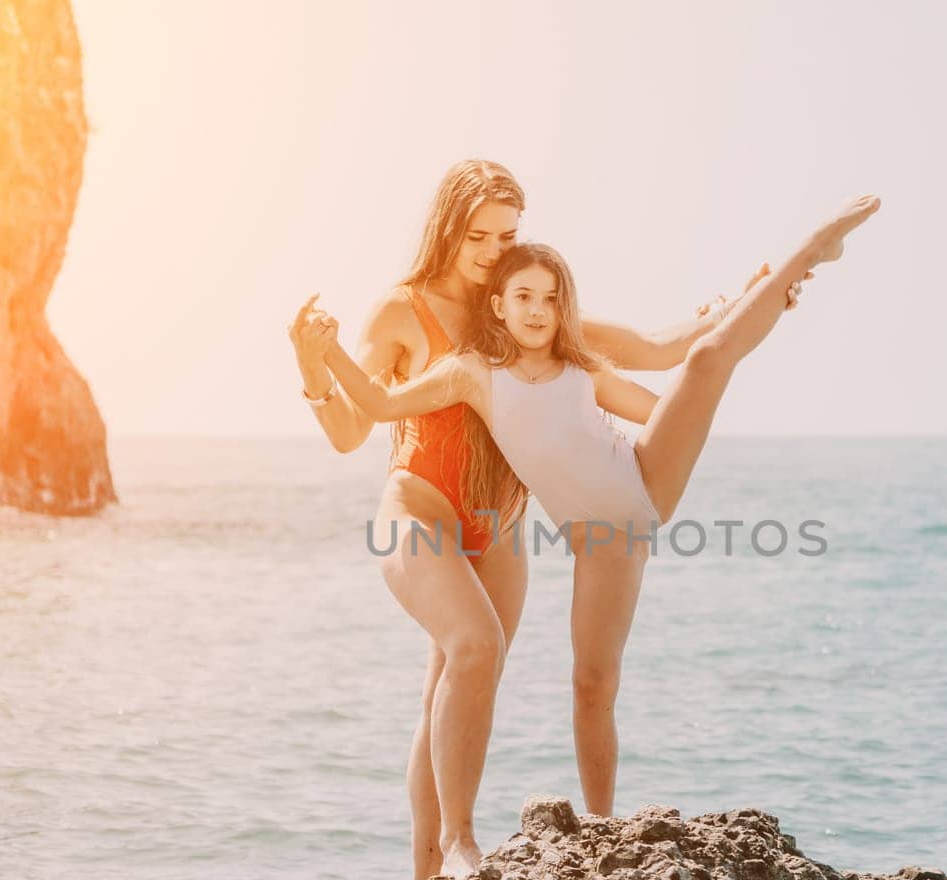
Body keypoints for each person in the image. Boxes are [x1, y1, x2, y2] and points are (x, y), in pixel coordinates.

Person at [296, 193, 881, 826]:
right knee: (592, 684)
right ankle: (602, 826)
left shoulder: (580, 365)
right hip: (602, 539)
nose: (537, 310)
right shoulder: (471, 370)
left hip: (644, 481)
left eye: (550, 299)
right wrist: (323, 356)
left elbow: (662, 385)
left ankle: (811, 252)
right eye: (521, 296)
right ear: (499, 304)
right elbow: (381, 410)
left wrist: (746, 312)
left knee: (710, 361)